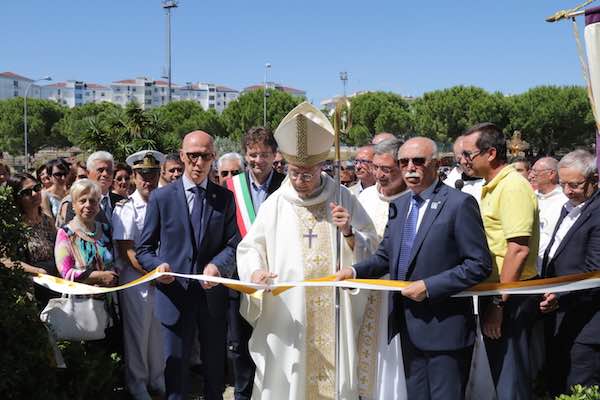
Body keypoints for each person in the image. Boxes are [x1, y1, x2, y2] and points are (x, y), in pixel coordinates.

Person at [237, 102, 378, 399]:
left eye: (307, 174)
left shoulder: (342, 197)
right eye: (294, 173)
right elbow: (250, 247)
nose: (300, 180)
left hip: (335, 311)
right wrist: (256, 272)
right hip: (289, 312)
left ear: (320, 167)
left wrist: (349, 232)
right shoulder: (276, 203)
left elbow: (372, 246)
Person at [337, 137, 492, 400]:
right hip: (407, 326)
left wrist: (430, 287)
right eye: (404, 162)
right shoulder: (400, 206)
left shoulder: (459, 204)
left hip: (445, 329)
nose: (410, 167)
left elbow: (479, 264)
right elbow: (385, 257)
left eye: (418, 161)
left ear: (436, 164)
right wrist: (354, 272)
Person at [136, 130, 240, 400]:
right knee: (176, 374)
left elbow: (233, 244)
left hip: (212, 298)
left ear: (213, 157)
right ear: (182, 156)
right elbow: (144, 249)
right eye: (193, 156)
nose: (198, 162)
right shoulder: (161, 198)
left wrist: (217, 266)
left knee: (215, 374)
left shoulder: (225, 198)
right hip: (174, 297)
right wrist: (158, 267)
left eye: (205, 156)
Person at [461, 122, 540, 400]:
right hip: (498, 292)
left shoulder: (512, 186)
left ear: (491, 153)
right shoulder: (492, 186)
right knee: (502, 374)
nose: (463, 160)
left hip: (510, 295)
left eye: (468, 154)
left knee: (511, 379)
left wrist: (498, 303)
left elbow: (517, 250)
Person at [227, 127, 286, 400]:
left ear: (275, 155)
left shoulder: (287, 186)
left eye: (264, 154)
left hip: (276, 279)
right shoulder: (231, 188)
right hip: (240, 281)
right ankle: (243, 394)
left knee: (276, 341)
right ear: (245, 154)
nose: (258, 160)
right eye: (252, 154)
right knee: (240, 344)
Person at [539, 149, 600, 396]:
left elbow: (594, 271)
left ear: (594, 180)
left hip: (586, 322)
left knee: (579, 387)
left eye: (574, 185)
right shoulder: (570, 207)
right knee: (557, 382)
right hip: (559, 315)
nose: (567, 191)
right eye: (562, 184)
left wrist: (559, 296)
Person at [354, 138, 408, 400]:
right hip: (365, 290)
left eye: (387, 169)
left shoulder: (413, 200)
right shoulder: (364, 197)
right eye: (376, 167)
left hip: (397, 291)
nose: (379, 175)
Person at [112, 150, 165, 400]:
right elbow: (127, 251)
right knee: (138, 333)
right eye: (143, 175)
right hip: (136, 280)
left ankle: (158, 379)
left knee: (157, 331)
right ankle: (137, 383)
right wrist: (151, 274)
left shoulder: (163, 202)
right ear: (134, 176)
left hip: (161, 276)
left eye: (152, 174)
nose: (148, 180)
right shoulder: (126, 208)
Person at [4, 173, 58, 306]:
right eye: (26, 192)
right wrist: (37, 271)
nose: (34, 194)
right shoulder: (12, 227)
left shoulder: (48, 221)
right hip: (29, 291)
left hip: (54, 286)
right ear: (17, 198)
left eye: (37, 188)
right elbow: (6, 260)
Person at [56, 151, 124, 227]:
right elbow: (72, 231)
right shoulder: (76, 201)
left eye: (109, 170)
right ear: (88, 173)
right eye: (100, 170)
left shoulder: (121, 202)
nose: (105, 174)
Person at [529, 157, 568, 273]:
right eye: (531, 171)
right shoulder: (530, 197)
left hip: (552, 266)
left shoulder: (564, 201)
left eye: (535, 171)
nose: (531, 175)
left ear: (551, 174)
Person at [443, 136, 484, 203]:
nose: (463, 161)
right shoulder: (448, 185)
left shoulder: (493, 180)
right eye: (459, 160)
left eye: (467, 155)